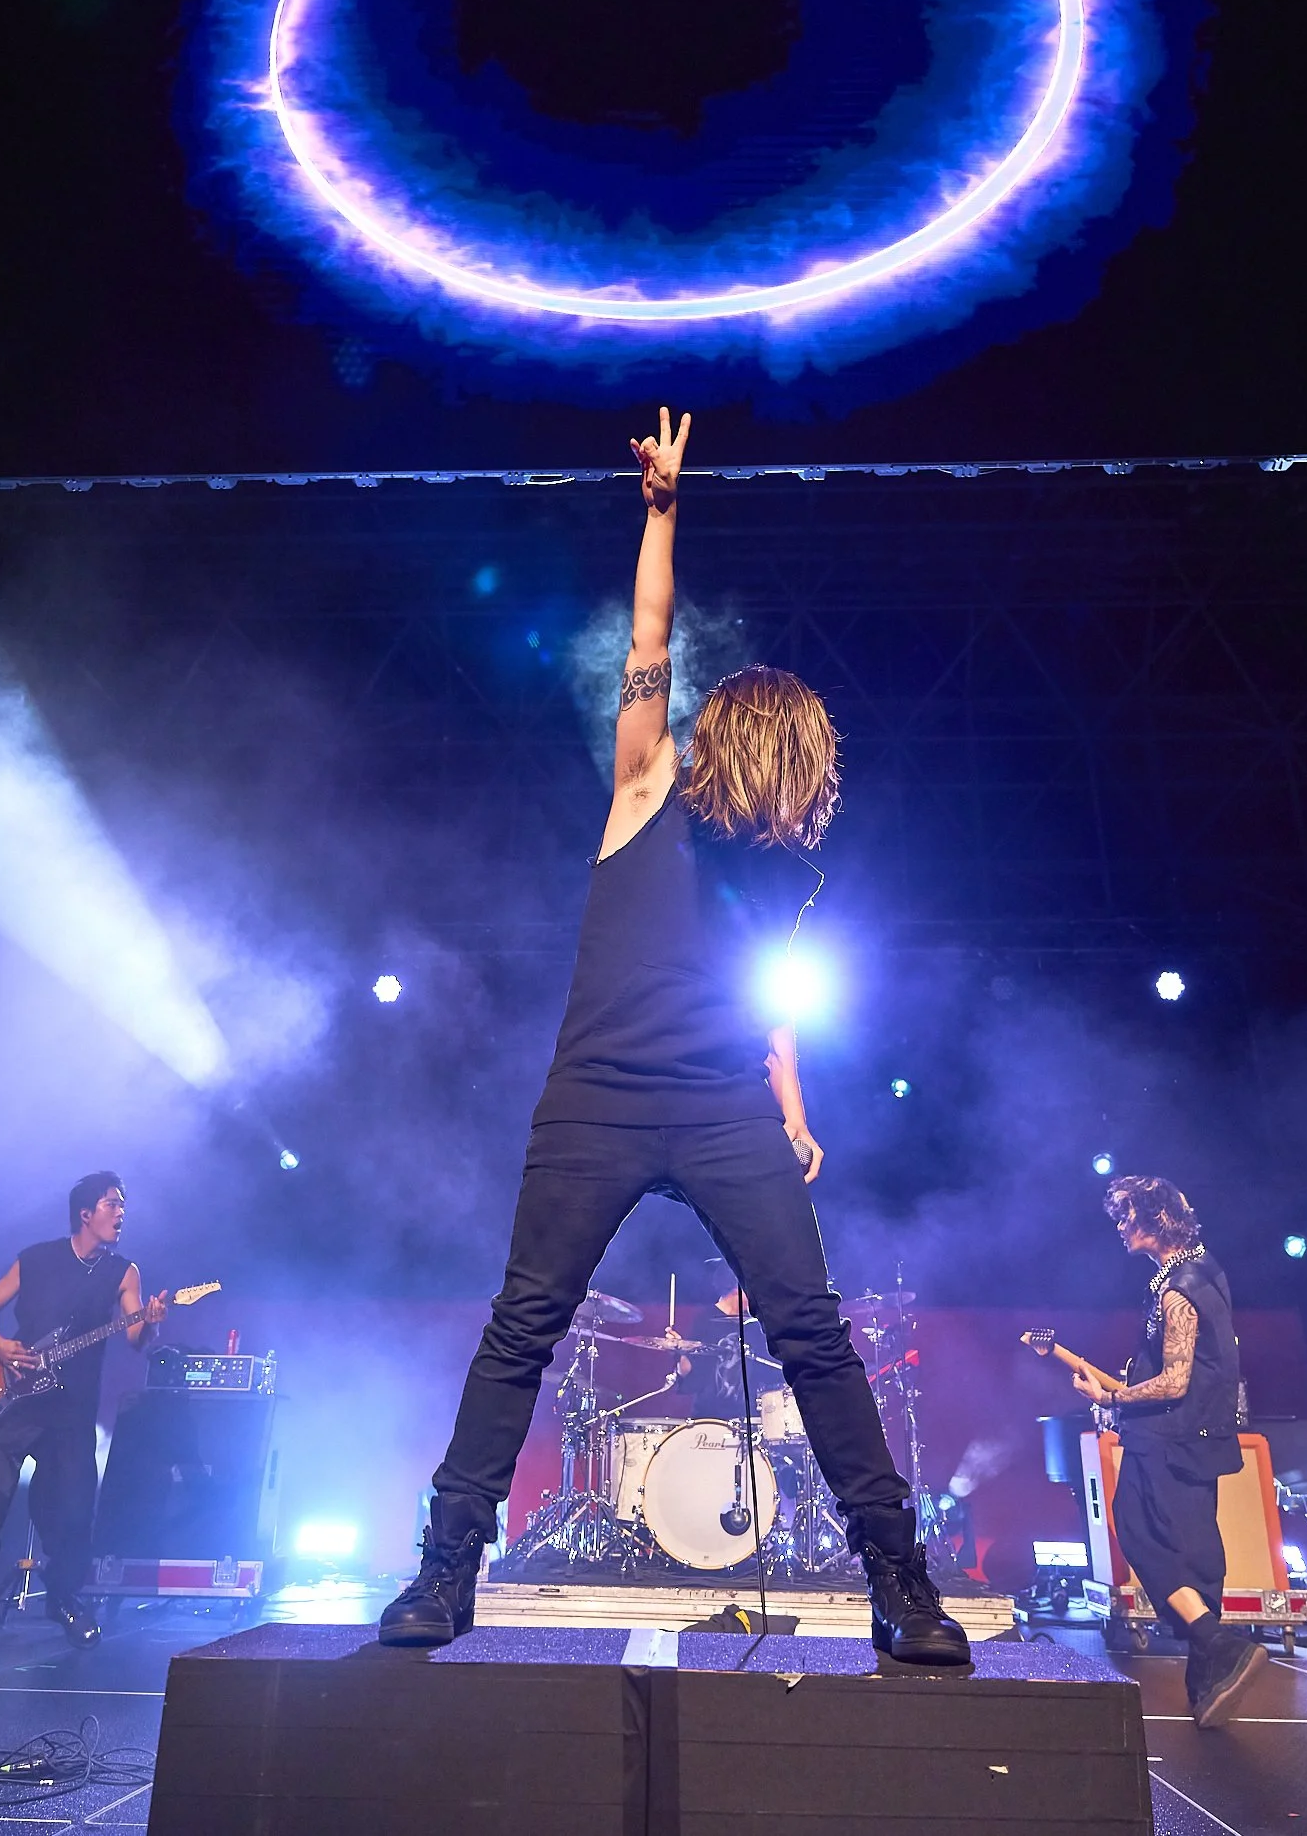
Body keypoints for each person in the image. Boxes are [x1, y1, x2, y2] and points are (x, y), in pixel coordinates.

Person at [380, 408, 968, 1665]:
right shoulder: (645, 780)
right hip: (595, 1094)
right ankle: (443, 1569)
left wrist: (795, 1111)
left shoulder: (782, 877)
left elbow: (767, 1000)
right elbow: (649, 638)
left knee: (811, 1328)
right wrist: (659, 511)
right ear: (768, 750)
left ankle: (899, 1582)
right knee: (525, 1321)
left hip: (723, 1109)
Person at [0, 1173, 168, 1677]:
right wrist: (1, 1348)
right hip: (15, 1405)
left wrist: (151, 1319)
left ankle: (63, 1597)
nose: (121, 1212)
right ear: (85, 1213)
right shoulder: (37, 1258)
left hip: (71, 1415)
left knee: (70, 1516)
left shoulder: (123, 1272)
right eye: (113, 1204)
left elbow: (136, 1337)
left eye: (123, 1205)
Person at [1072, 1174, 1266, 1728]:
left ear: (1155, 1220)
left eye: (1127, 1216)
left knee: (1138, 1531)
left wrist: (1112, 1396)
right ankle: (1208, 1684)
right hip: (1199, 1436)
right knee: (1196, 1554)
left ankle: (1217, 1643)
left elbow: (1176, 1380)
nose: (1120, 1228)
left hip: (1167, 1436)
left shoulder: (1178, 1288)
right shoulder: (1204, 1271)